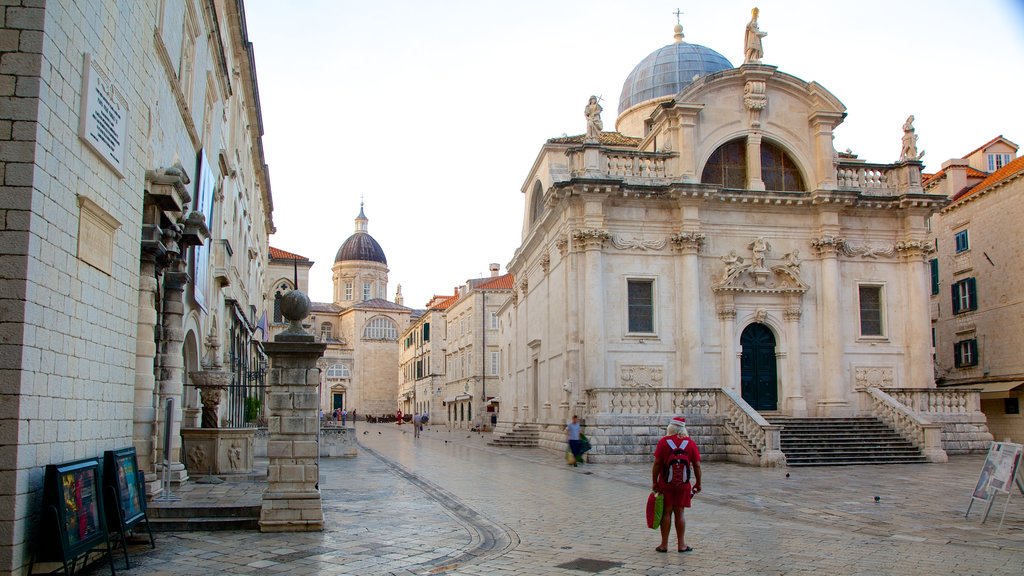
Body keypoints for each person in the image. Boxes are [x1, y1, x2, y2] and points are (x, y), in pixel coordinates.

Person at [652, 415, 702, 553]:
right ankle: (681, 545)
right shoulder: (690, 443)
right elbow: (697, 465)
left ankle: (663, 545)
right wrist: (698, 483)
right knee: (680, 514)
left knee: (666, 513)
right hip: (683, 485)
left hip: (666, 483)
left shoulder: (663, 442)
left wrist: (654, 482)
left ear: (671, 428)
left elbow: (657, 464)